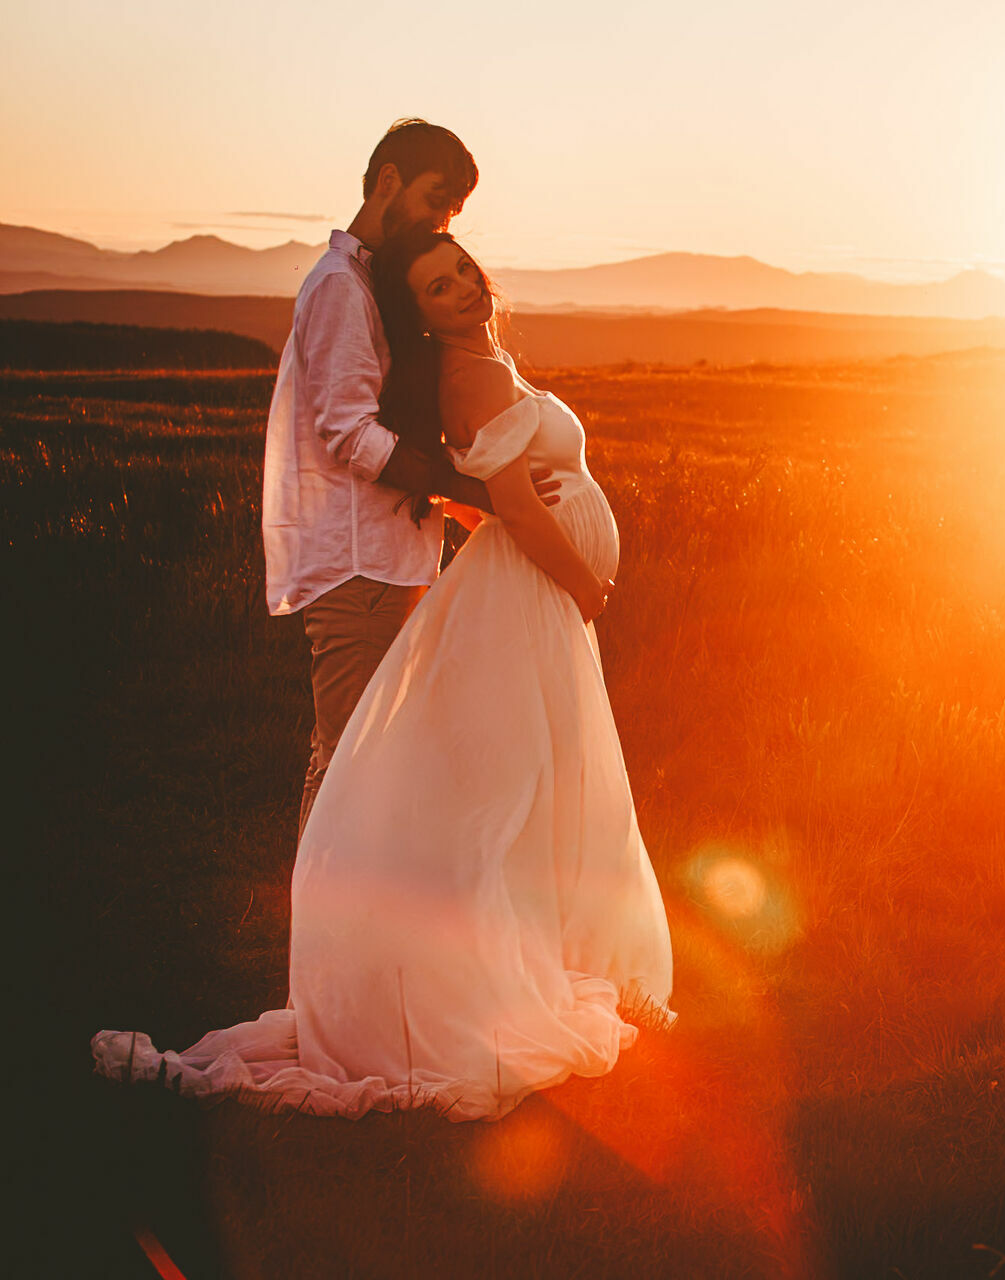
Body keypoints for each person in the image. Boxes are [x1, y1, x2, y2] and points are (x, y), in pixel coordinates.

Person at [92, 227, 673, 1122]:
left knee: (531, 781)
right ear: (421, 313)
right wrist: (583, 582)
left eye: (465, 270)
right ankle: (434, 976)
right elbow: (513, 501)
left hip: (529, 596)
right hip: (537, 597)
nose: (465, 288)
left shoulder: (487, 362)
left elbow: (482, 500)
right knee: (507, 787)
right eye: (439, 288)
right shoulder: (468, 374)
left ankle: (513, 947)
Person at [261, 118, 551, 837]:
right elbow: (350, 433)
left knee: (359, 759)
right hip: (359, 567)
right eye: (434, 202)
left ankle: (344, 939)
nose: (439, 224)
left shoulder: (366, 282)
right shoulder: (338, 287)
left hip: (384, 562)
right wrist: (481, 493)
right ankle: (326, 943)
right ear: (387, 180)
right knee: (347, 766)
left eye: (451, 216)